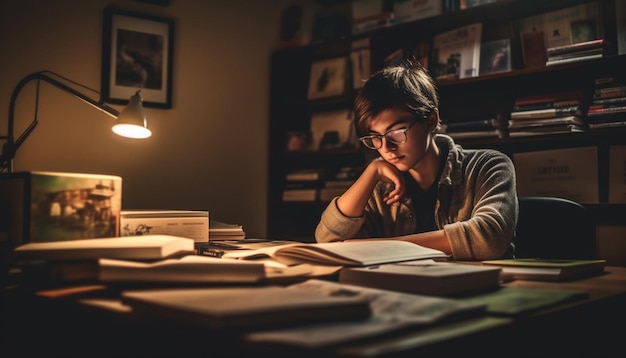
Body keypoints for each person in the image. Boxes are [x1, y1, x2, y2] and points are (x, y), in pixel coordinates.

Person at [315, 60, 518, 260]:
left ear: (431, 121)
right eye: (375, 137)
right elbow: (327, 241)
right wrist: (372, 172)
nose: (386, 148)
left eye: (396, 132)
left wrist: (382, 247)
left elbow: (489, 238)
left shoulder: (488, 166)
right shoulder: (380, 187)